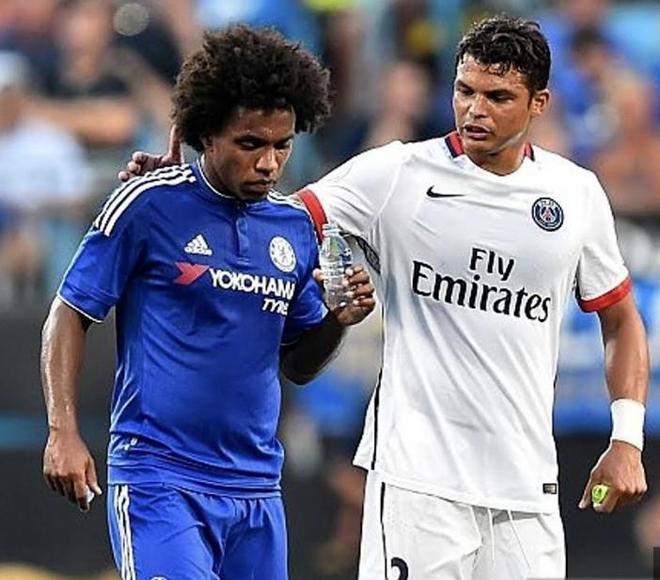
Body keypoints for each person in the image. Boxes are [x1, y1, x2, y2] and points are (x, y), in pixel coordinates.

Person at [120, 16, 649, 580]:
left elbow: (621, 320)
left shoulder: (575, 194)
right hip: (417, 484)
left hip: (527, 488)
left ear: (539, 103)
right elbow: (271, 221)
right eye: (465, 91)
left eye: (497, 97)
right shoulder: (398, 174)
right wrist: (187, 191)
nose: (475, 110)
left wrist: (627, 438)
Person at [41, 25, 375, 580]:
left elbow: (298, 364)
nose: (269, 163)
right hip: (159, 479)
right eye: (250, 144)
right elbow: (68, 313)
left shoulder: (294, 226)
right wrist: (63, 430)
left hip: (256, 488)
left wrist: (337, 321)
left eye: (282, 145)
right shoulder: (148, 203)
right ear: (207, 135)